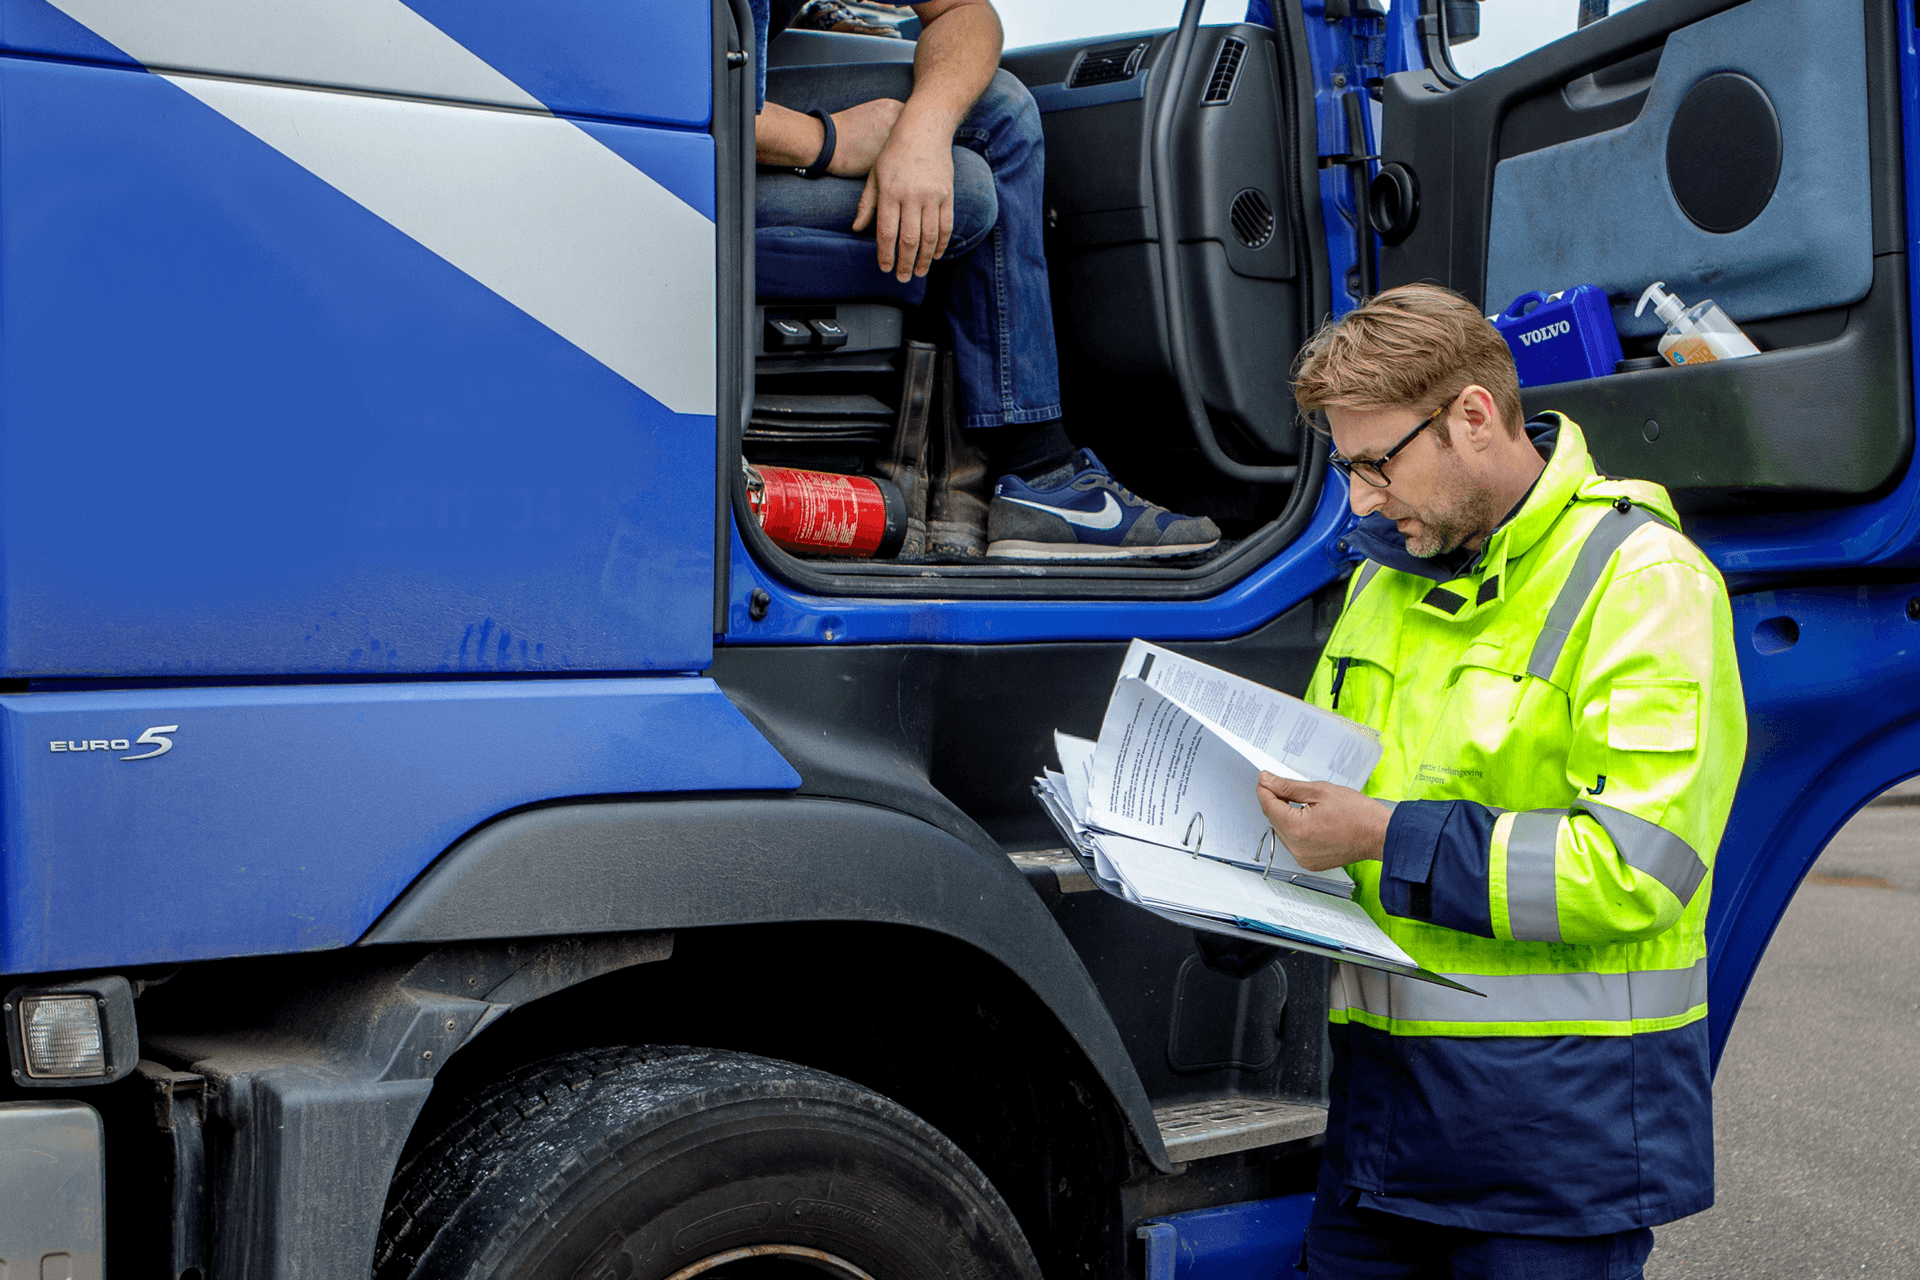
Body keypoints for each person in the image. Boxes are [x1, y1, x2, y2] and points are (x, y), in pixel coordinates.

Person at [1261, 284, 1746, 1277]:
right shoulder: (1383, 578)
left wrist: (1379, 834)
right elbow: (1330, 794)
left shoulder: (1644, 580)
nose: (1361, 500)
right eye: (1347, 468)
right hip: (1378, 1138)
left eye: (1377, 463)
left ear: (1474, 416)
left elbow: (1631, 869)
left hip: (1552, 1156)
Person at [749, 0, 1221, 559]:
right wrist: (826, 141)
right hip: (680, 168)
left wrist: (923, 131)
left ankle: (1038, 483)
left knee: (999, 107)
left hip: (742, 99)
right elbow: (662, 91)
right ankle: (1031, 464)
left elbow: (962, 11)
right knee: (969, 190)